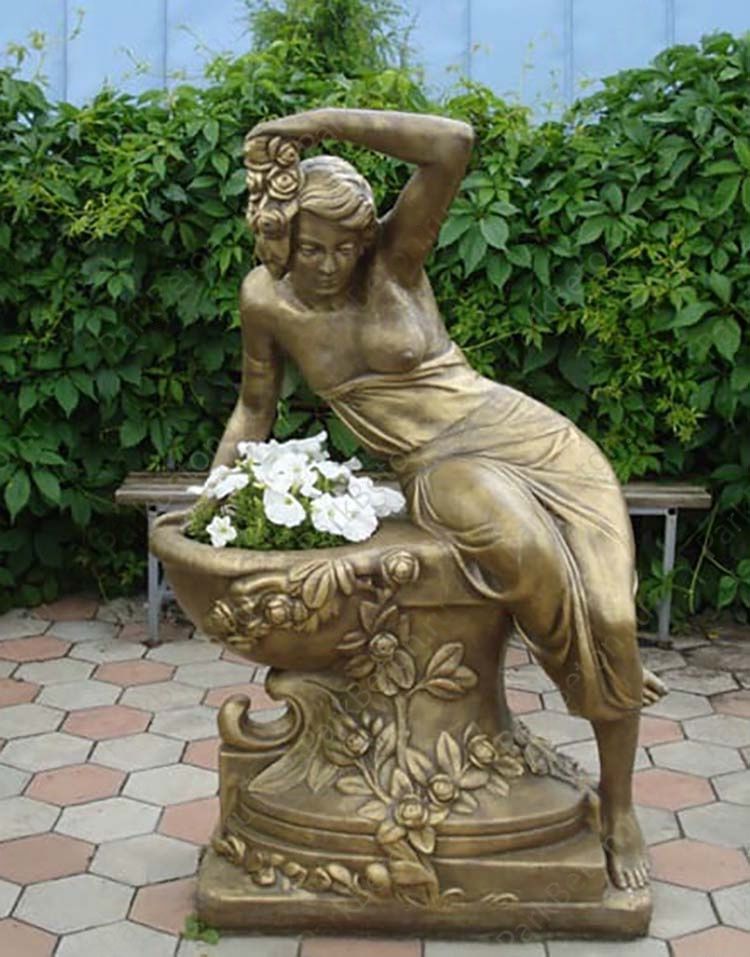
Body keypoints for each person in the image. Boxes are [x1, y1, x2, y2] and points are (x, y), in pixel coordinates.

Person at [211, 107, 662, 891]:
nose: (330, 264)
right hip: (441, 465)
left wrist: (315, 124)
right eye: (312, 248)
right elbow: (255, 409)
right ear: (282, 239)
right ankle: (571, 699)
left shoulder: (395, 262)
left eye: (345, 247)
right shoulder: (267, 299)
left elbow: (453, 144)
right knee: (527, 555)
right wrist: (216, 499)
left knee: (614, 617)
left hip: (532, 437)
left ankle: (619, 805)